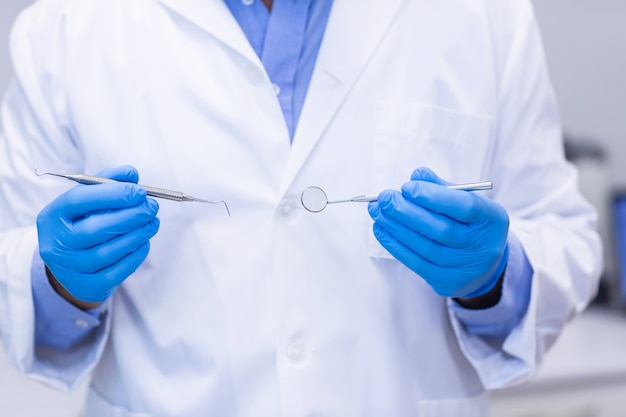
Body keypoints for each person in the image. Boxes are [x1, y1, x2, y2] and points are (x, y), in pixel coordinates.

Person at [0, 0, 603, 416]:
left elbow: (566, 237)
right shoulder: (63, 27)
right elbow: (14, 260)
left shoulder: (484, 17)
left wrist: (494, 278)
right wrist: (58, 281)